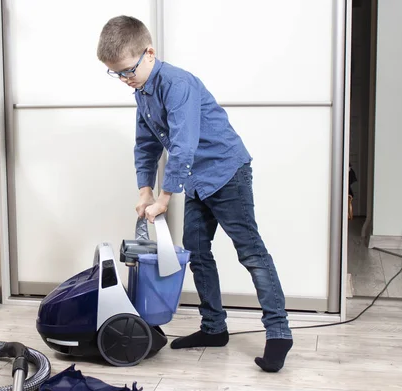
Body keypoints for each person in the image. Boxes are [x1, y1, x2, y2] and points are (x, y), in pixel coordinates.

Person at [97, 15, 293, 372]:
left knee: (250, 252)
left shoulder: (177, 84)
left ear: (149, 53)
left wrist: (165, 198)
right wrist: (145, 190)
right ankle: (214, 328)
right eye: (117, 74)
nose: (125, 80)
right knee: (198, 254)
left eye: (127, 70)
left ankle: (279, 332)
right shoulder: (143, 92)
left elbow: (183, 147)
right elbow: (146, 146)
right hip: (196, 181)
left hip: (225, 173)